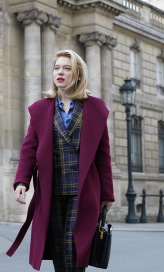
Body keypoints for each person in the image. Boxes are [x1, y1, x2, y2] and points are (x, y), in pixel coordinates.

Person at [6, 50, 115, 271]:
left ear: (77, 74)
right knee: (58, 251)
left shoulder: (95, 108)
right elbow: (29, 149)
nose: (60, 72)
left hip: (82, 190)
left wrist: (107, 194)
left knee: (74, 249)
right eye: (57, 68)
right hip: (52, 191)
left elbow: (103, 155)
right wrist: (21, 182)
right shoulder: (41, 109)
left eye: (66, 68)